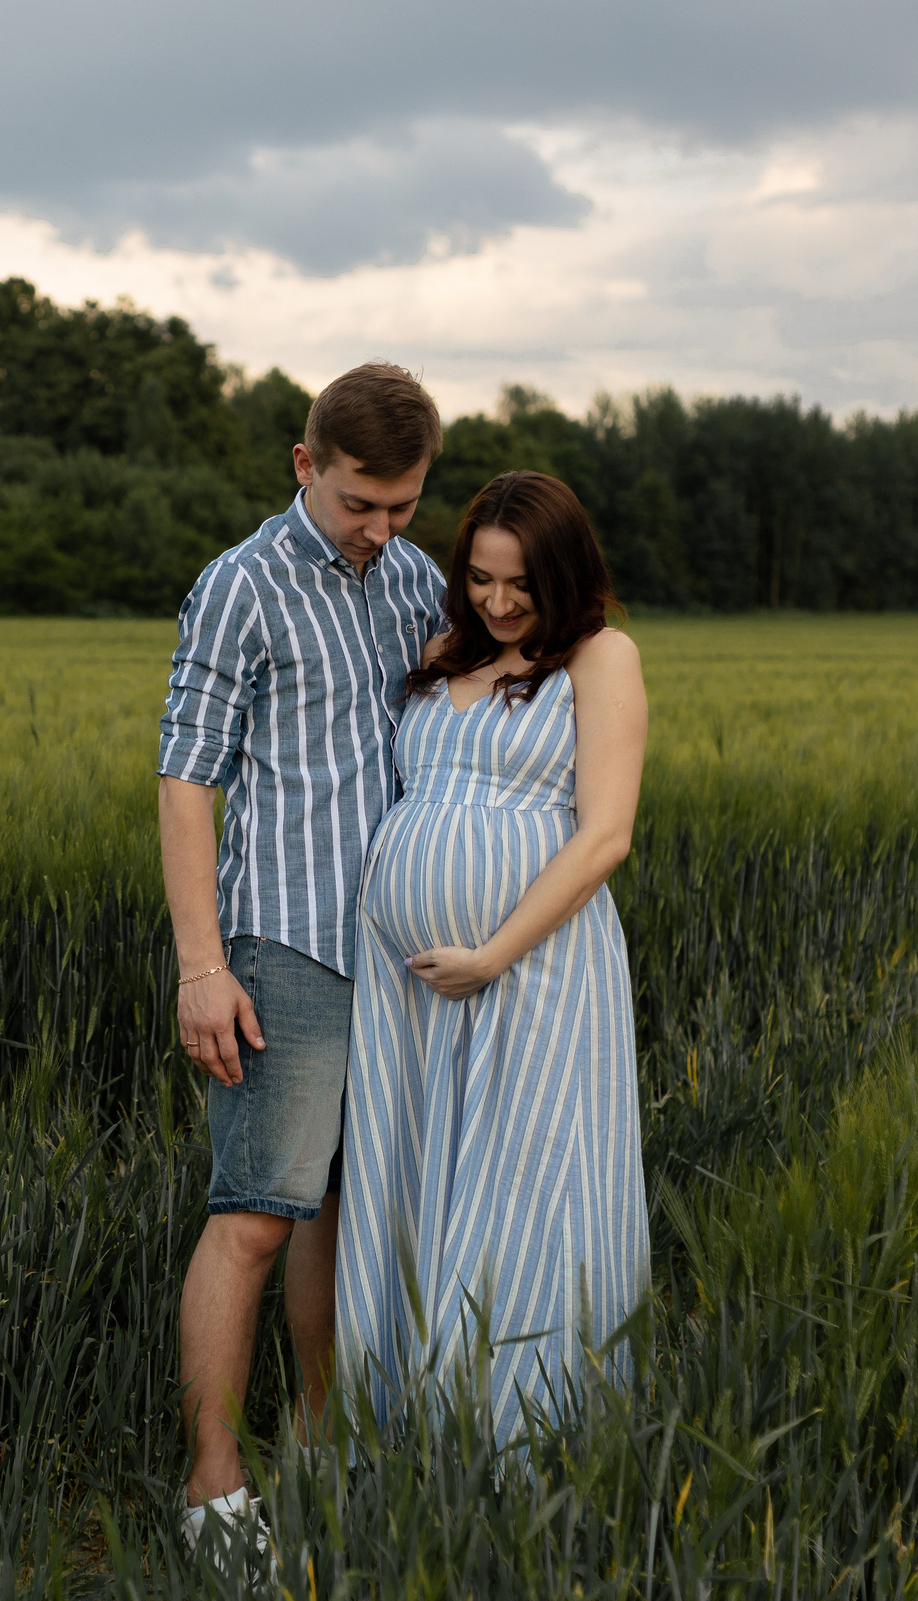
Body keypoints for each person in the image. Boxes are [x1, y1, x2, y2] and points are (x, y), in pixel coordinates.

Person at [157, 363, 446, 1550]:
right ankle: (214, 1493)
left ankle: (325, 1449)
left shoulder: (416, 578)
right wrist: (200, 967)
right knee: (259, 1217)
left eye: (402, 506)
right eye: (357, 504)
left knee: (342, 1215)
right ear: (304, 467)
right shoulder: (241, 587)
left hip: (397, 957)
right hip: (285, 946)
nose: (379, 531)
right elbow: (186, 783)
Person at [332, 470, 650, 1446]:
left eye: (520, 585)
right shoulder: (438, 654)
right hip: (406, 988)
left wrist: (491, 953)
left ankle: (525, 1437)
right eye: (479, 579)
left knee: (523, 1180)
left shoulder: (601, 658)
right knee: (416, 1172)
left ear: (564, 577)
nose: (499, 603)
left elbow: (603, 839)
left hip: (532, 969)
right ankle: (404, 1422)